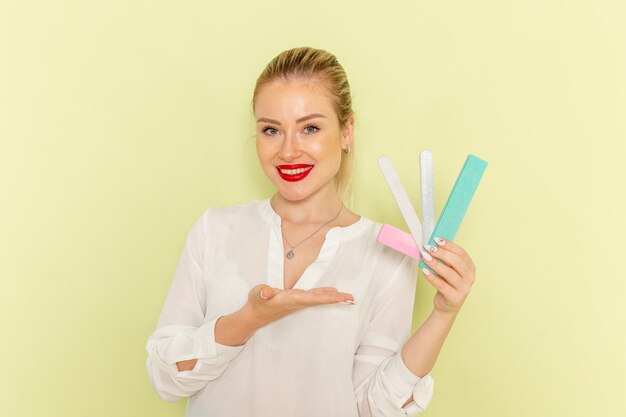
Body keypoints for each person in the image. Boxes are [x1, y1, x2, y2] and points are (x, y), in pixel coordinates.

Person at [146, 47, 477, 417]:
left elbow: (374, 406)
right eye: (271, 130)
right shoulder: (215, 230)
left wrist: (444, 312)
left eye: (310, 128)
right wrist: (248, 319)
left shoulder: (386, 252)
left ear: (346, 131)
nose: (288, 151)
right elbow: (165, 379)